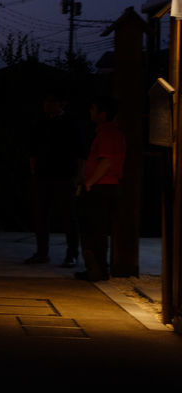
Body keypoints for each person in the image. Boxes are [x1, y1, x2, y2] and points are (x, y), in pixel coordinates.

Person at [23, 90, 82, 266]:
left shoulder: (70, 123)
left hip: (64, 174)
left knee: (68, 216)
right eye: (46, 102)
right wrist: (34, 170)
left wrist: (78, 174)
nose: (48, 105)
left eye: (52, 102)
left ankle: (71, 253)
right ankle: (42, 252)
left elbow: (80, 150)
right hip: (43, 174)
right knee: (41, 215)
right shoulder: (40, 123)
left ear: (61, 104)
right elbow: (32, 150)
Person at [76, 96, 126, 282]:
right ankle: (96, 268)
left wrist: (89, 182)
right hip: (105, 186)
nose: (91, 112)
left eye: (93, 109)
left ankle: (97, 269)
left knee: (94, 230)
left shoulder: (108, 134)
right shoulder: (108, 133)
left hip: (102, 187)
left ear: (102, 114)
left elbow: (106, 162)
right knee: (96, 230)